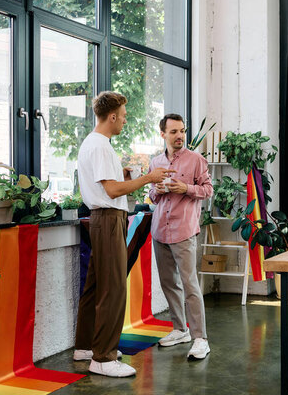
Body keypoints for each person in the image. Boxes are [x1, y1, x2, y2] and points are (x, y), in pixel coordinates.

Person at [73, 91, 174, 377]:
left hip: (102, 219)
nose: (125, 122)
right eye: (124, 116)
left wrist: (127, 177)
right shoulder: (101, 146)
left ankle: (86, 347)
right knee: (113, 288)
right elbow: (112, 191)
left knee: (95, 286)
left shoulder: (92, 143)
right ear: (113, 116)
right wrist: (148, 178)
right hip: (108, 220)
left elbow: (112, 185)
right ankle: (103, 358)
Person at [149, 113, 213, 359]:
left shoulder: (196, 160)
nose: (180, 136)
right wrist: (158, 190)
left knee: (190, 285)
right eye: (174, 132)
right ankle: (179, 329)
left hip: (184, 231)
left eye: (182, 131)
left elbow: (208, 190)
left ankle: (200, 338)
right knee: (168, 283)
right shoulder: (155, 163)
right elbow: (152, 196)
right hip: (160, 231)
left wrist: (185, 188)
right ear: (163, 134)